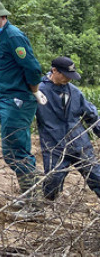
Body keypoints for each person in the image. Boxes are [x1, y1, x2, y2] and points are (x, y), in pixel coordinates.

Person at [0, 0, 45, 216]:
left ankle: (35, 205)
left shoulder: (13, 36)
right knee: (12, 150)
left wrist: (34, 90)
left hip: (18, 100)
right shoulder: (2, 36)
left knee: (17, 151)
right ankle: (29, 196)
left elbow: (32, 67)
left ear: (3, 17)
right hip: (8, 99)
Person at [36, 56, 100, 201]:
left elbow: (92, 116)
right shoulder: (38, 90)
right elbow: (23, 112)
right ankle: (48, 205)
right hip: (54, 144)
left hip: (79, 142)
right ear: (54, 70)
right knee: (53, 179)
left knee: (96, 175)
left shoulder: (75, 92)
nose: (68, 79)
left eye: (71, 76)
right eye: (65, 75)